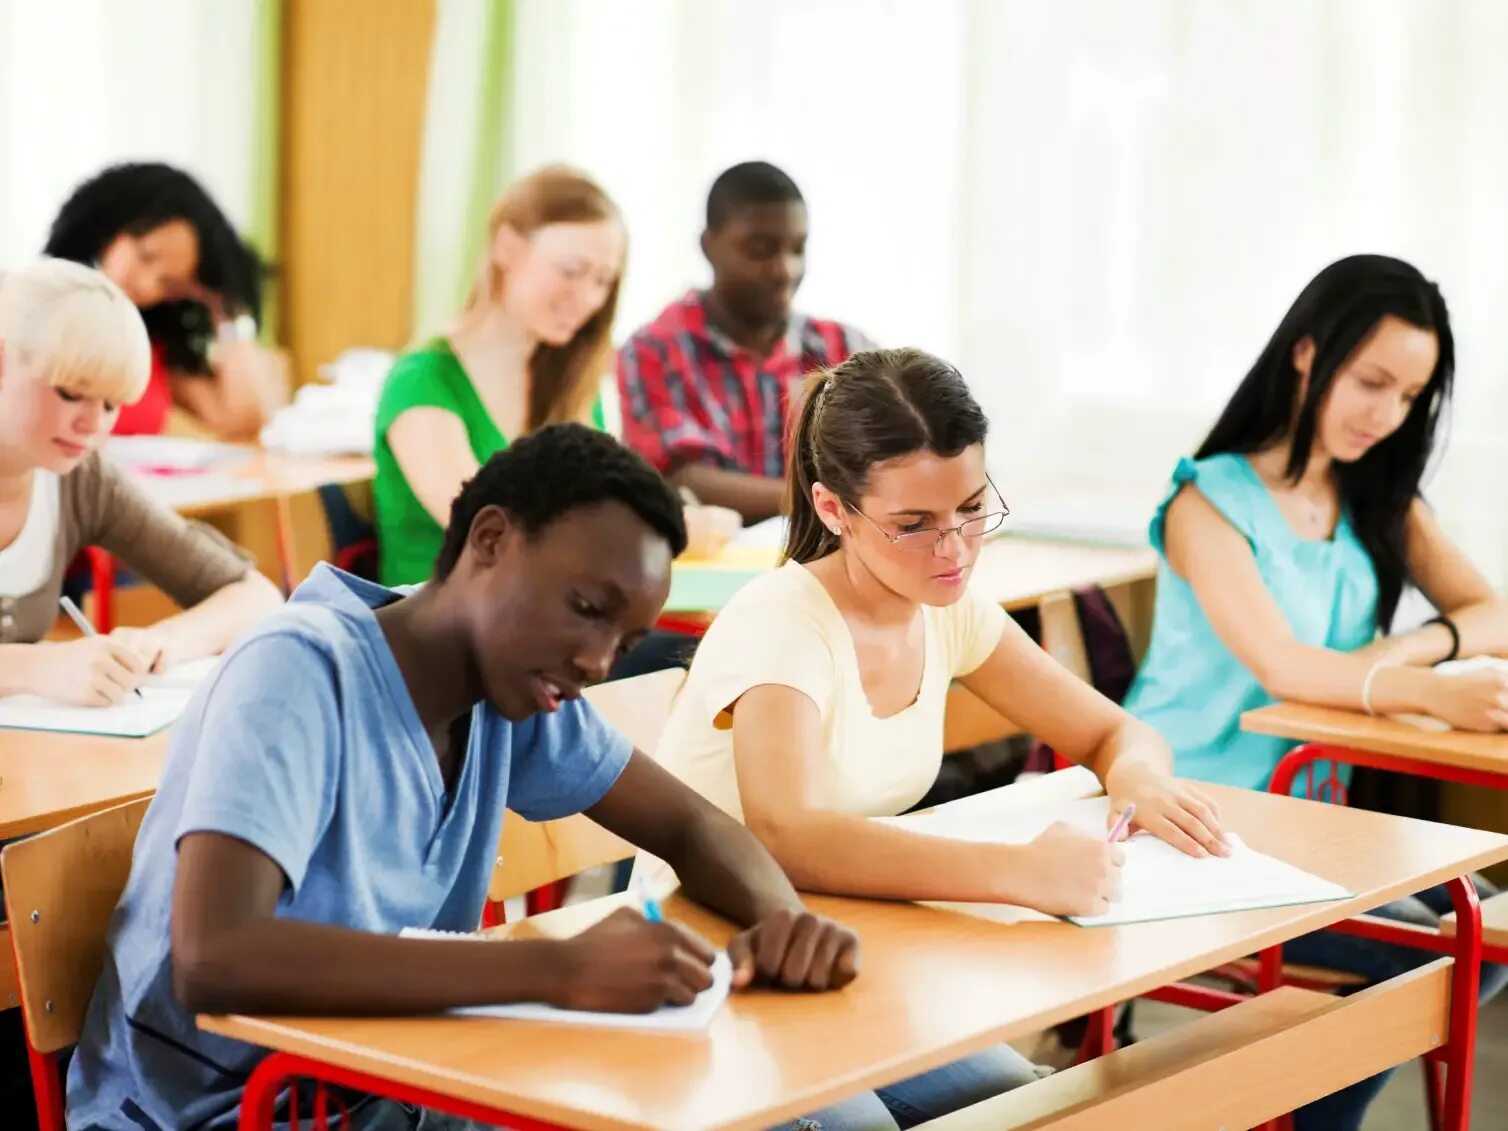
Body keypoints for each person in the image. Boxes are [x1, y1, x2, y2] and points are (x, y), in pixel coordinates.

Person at [67, 424, 861, 1130]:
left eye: (625, 641)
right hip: (222, 1108)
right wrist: (559, 967)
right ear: (490, 539)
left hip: (398, 1081)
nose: (595, 659)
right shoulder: (300, 671)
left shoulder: (514, 689)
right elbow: (218, 954)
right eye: (587, 606)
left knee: (813, 1109)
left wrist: (783, 918)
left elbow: (693, 826)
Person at [637, 347, 1224, 1129]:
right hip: (706, 963)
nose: (954, 550)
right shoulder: (783, 622)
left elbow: (1114, 730)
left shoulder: (948, 604)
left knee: (1023, 1105)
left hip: (839, 953)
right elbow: (789, 835)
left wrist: (1138, 776)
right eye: (914, 525)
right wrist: (1019, 873)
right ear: (835, 508)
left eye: (971, 510)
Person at [1121, 254, 1508, 1131]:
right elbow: (1285, 667)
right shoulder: (1208, 500)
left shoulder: (1378, 500)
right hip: (1191, 822)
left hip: (1310, 833)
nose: (1386, 413)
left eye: (1409, 396)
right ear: (1306, 353)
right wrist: (1425, 691)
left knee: (1477, 937)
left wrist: (1417, 645)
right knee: (1447, 947)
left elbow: (1493, 609)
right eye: (1371, 381)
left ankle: (1297, 1115)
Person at [0, 258, 283, 702]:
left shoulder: (83, 479)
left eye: (111, 404)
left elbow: (256, 597)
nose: (91, 424)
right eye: (71, 392)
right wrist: (34, 667)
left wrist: (162, 642)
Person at [617, 161, 871, 523]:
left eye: (797, 249)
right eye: (760, 249)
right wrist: (827, 498)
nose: (785, 269)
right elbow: (677, 479)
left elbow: (888, 460)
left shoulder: (843, 349)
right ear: (709, 246)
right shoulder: (654, 352)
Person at [44, 162, 288, 440]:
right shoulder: (40, 320)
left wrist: (227, 309)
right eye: (146, 255)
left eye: (168, 284)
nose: (147, 285)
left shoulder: (146, 349)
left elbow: (241, 419)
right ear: (106, 232)